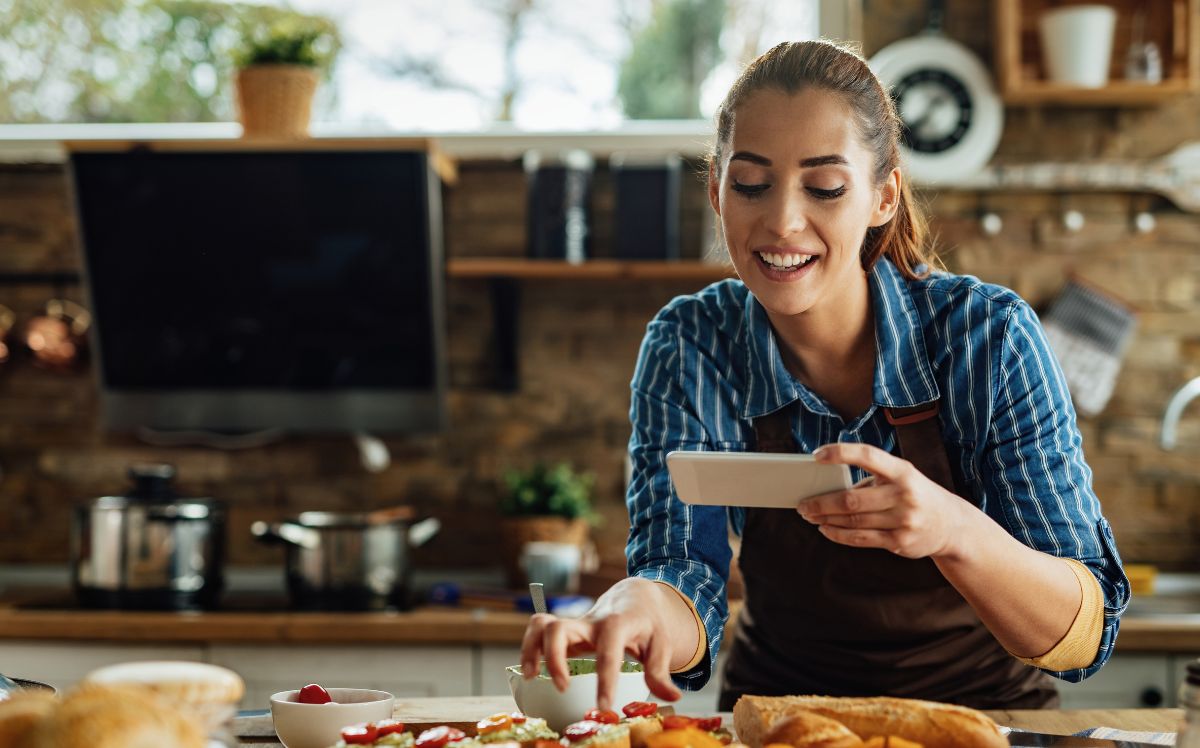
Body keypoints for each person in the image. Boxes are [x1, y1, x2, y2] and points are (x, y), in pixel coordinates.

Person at [519, 39, 1129, 712]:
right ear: (718, 193)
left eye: (825, 187)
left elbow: (1084, 636)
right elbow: (682, 577)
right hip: (780, 718)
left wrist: (953, 531)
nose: (781, 221)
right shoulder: (690, 342)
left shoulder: (988, 338)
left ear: (882, 197)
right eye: (750, 185)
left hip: (980, 719)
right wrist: (634, 604)